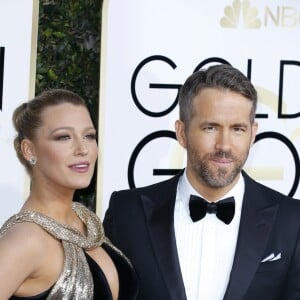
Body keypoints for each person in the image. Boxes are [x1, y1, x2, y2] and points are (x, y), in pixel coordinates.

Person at [103, 64, 300, 300]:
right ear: (182, 133)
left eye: (237, 129)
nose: (224, 145)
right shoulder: (127, 212)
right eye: (210, 128)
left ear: (253, 134)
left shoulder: (292, 221)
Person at [0, 89, 138, 300]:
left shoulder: (86, 222)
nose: (82, 149)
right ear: (29, 150)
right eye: (63, 137)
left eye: (89, 136)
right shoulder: (26, 239)